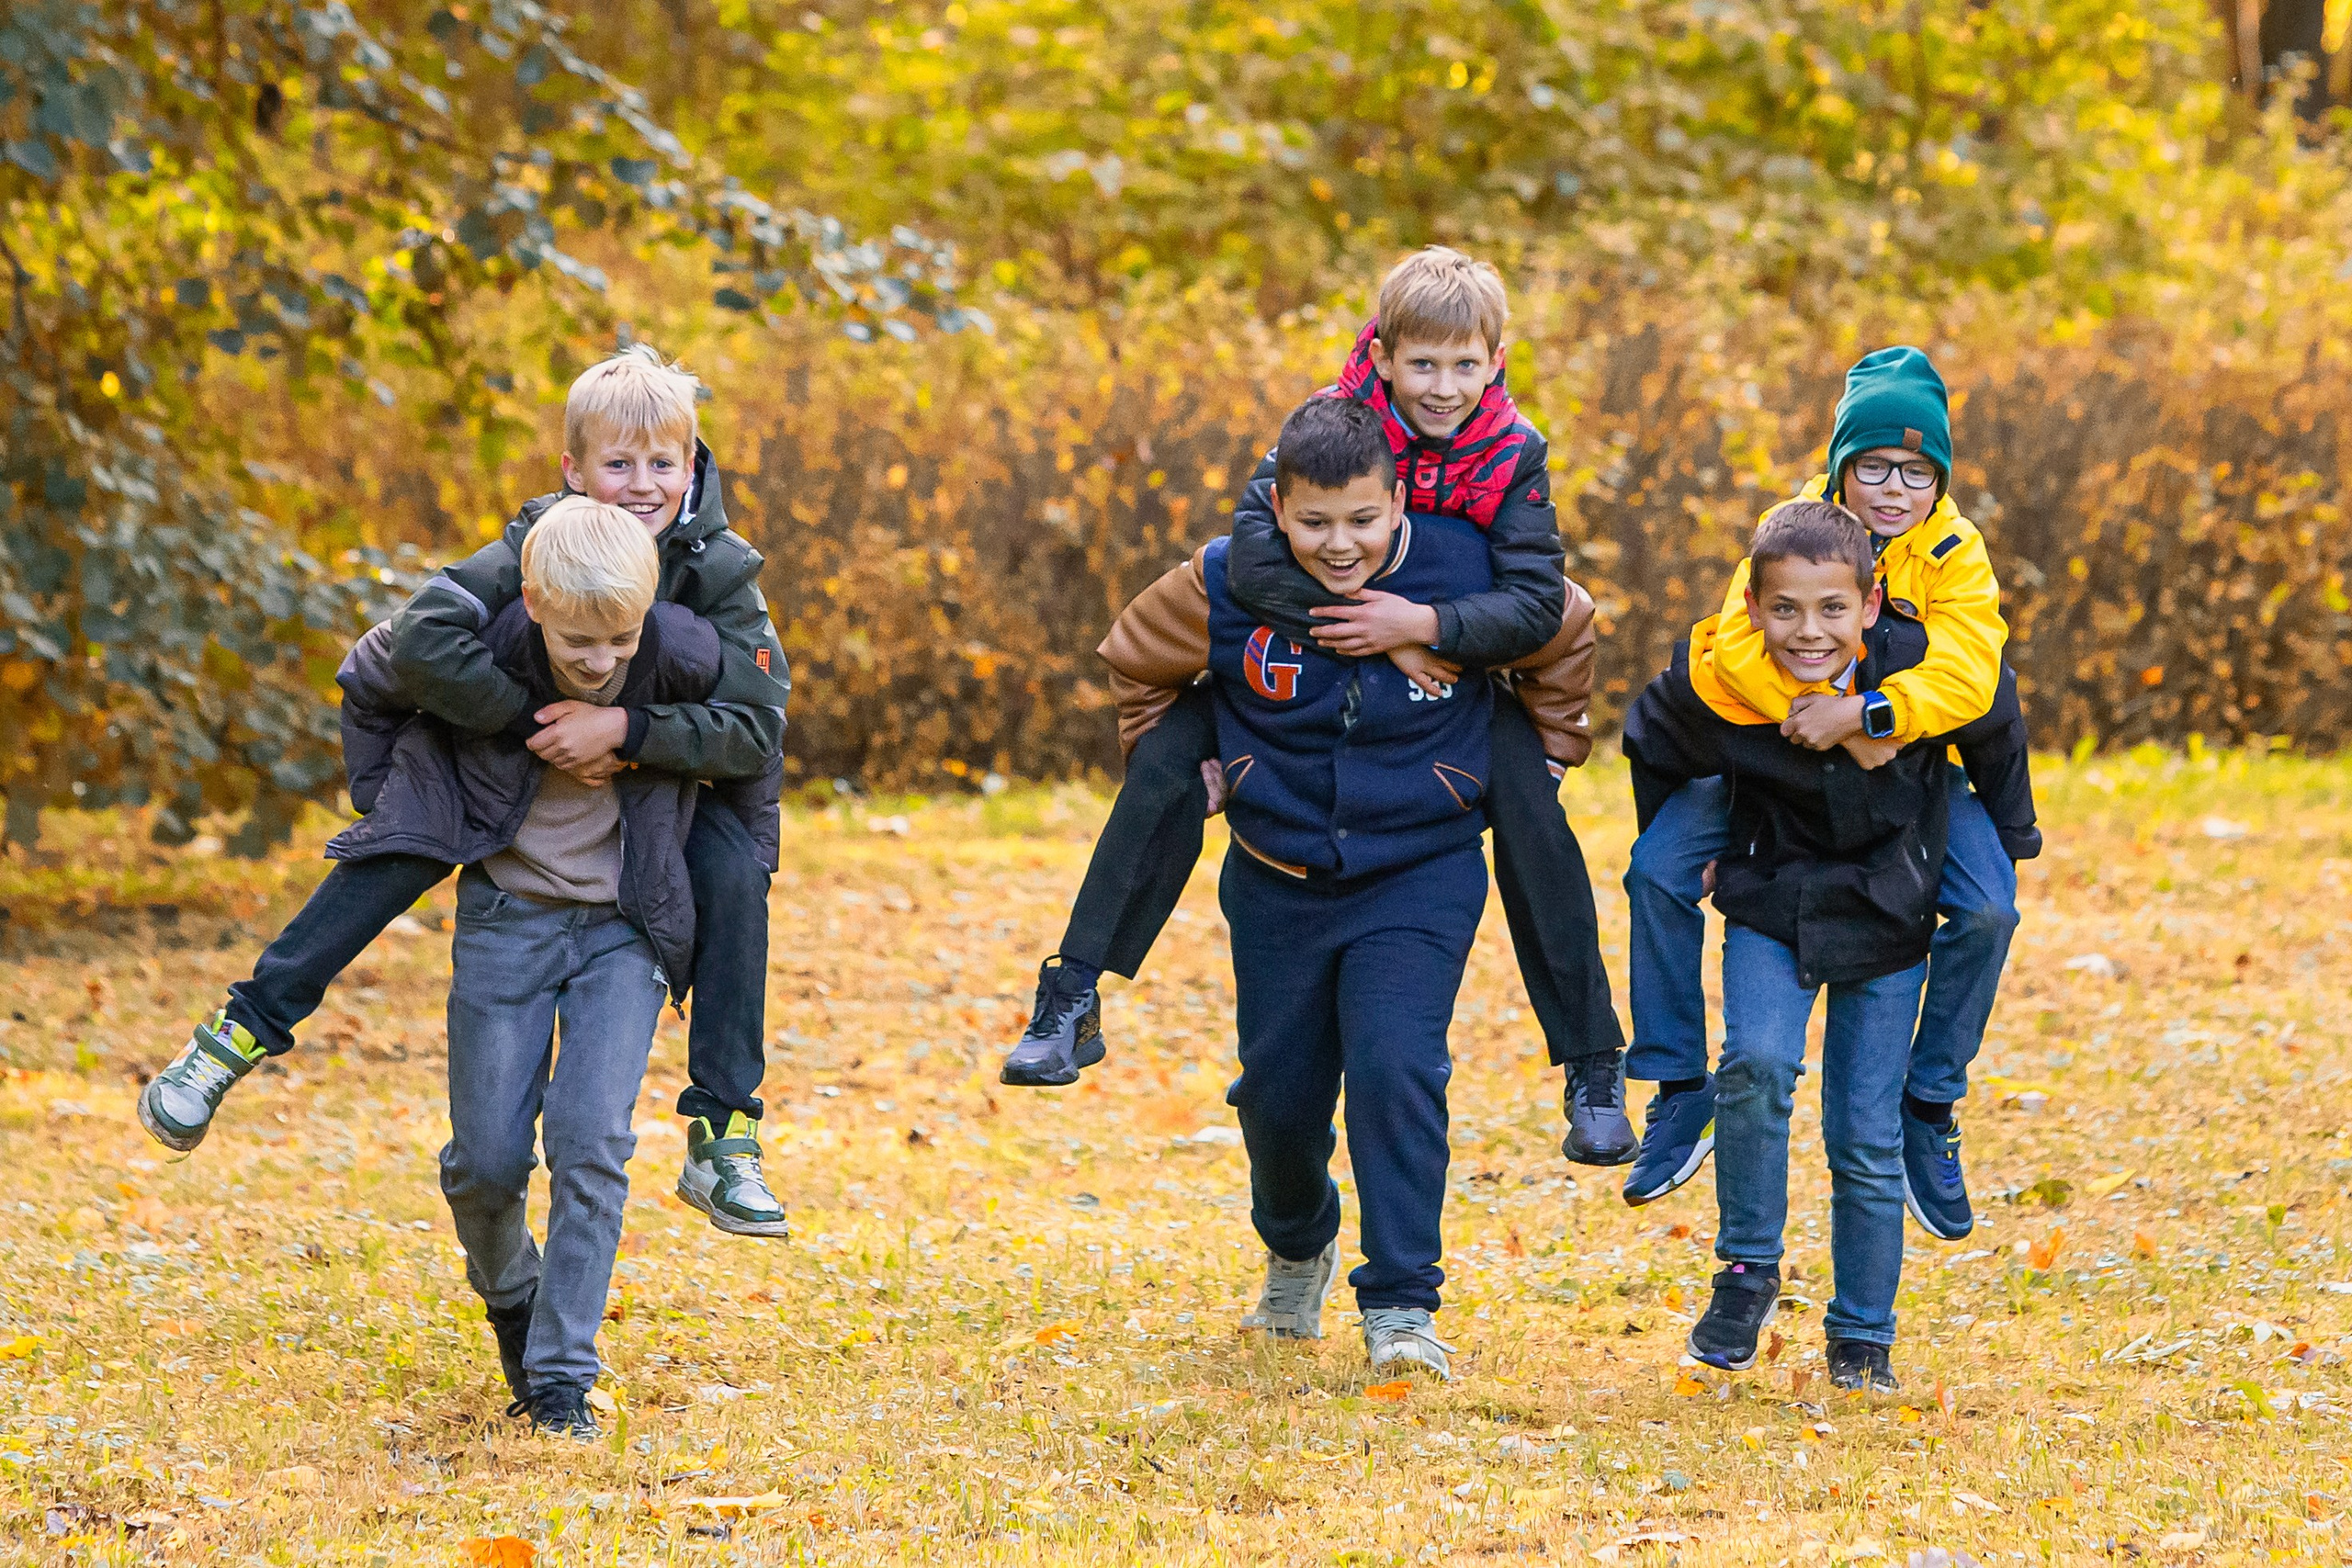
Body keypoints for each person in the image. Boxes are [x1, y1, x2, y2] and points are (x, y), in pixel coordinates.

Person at [139, 346, 797, 1239]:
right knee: (402, 843)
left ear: (692, 465)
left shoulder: (718, 571)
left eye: (661, 463)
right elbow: (421, 637)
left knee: (733, 875)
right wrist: (536, 724)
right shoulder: (535, 541)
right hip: (508, 759)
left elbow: (756, 726)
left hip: (656, 790)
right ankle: (237, 1033)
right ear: (573, 469)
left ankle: (723, 1134)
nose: (641, 485)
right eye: (618, 463)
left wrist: (625, 731)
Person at [1003, 247, 1631, 1165]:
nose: (1443, 387)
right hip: (1298, 653)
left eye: (1464, 365)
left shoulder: (1513, 451)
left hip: (1446, 670)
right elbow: (1255, 556)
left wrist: (1423, 629)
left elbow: (1543, 606)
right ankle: (1072, 994)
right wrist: (1363, 627)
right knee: (1168, 757)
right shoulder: (1332, 426)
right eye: (1423, 364)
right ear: (1382, 357)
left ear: (1496, 361)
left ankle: (1591, 1061)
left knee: (1534, 815)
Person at [1095, 398, 1599, 1380]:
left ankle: (1403, 1303)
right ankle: (1297, 1244)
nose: (1340, 544)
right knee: (1275, 1096)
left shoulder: (1457, 569)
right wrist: (1184, 768)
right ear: (1277, 510)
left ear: (1398, 502)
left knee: (1394, 1066)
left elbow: (1565, 625)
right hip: (1277, 876)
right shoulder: (1235, 581)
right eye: (1315, 522)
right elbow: (1136, 659)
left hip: (1421, 871)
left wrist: (1545, 755)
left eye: (1363, 520)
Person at [332, 497, 782, 1436]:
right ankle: (511, 1296)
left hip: (625, 930)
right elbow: (374, 672)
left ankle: (562, 1379)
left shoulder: (670, 658)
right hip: (507, 921)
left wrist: (637, 736)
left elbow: (755, 731)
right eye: (581, 641)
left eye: (622, 640)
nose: (601, 661)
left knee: (591, 1141)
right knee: (485, 1163)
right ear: (536, 606)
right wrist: (393, 804)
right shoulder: (492, 647)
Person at [1618, 346, 2039, 1235]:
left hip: (1905, 765)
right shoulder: (1792, 527)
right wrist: (1813, 714)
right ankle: (1679, 1083)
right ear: (1842, 464)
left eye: (1916, 472)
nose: (1894, 489)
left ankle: (1928, 1101)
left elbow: (1972, 675)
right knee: (1654, 869)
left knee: (1989, 909)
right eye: (1873, 466)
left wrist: (1871, 716)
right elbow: (1734, 646)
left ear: (1941, 479)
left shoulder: (1954, 552)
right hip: (1773, 757)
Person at [1622, 500, 2035, 1392]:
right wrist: (1681, 845)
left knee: (1863, 1135)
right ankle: (1746, 1273)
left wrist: (2012, 836)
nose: (1808, 631)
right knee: (1757, 1065)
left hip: (1887, 916)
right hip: (1773, 903)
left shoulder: (1919, 671)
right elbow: (1654, 729)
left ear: (1871, 605)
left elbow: (1996, 718)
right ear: (1752, 605)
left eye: (1832, 609)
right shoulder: (1733, 680)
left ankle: (1862, 1335)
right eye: (1784, 609)